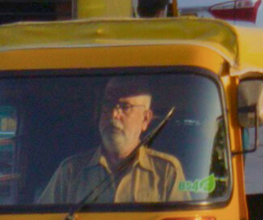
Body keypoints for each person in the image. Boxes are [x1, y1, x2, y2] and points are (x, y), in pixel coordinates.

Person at [42, 80, 189, 204]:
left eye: (125, 107)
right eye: (108, 104)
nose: (114, 114)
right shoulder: (70, 172)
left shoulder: (166, 171)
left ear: (145, 119)